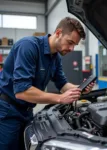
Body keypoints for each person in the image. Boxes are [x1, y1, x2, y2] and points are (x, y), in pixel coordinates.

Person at [0, 17, 95, 150]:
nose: (72, 49)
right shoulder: (28, 46)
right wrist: (60, 99)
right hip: (8, 111)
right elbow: (21, 91)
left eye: (75, 45)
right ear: (58, 33)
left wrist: (80, 89)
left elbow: (62, 85)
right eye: (70, 42)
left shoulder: (55, 58)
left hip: (27, 112)